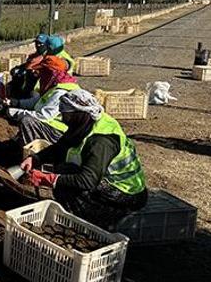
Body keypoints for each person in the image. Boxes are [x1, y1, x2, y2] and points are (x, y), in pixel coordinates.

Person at [19, 89, 147, 228]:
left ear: (78, 114)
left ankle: (95, 221)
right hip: (108, 181)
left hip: (127, 194)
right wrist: (36, 158)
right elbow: (61, 146)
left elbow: (87, 180)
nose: (62, 118)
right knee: (64, 171)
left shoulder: (101, 141)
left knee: (64, 182)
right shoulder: (85, 124)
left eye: (65, 115)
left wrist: (48, 179)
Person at [0, 56, 79, 146]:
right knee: (29, 118)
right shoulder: (54, 87)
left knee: (28, 121)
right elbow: (37, 103)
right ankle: (16, 143)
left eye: (43, 72)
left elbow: (44, 116)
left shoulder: (61, 92)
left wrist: (16, 113)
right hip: (53, 127)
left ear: (51, 73)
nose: (40, 75)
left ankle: (32, 153)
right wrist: (13, 103)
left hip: (60, 133)